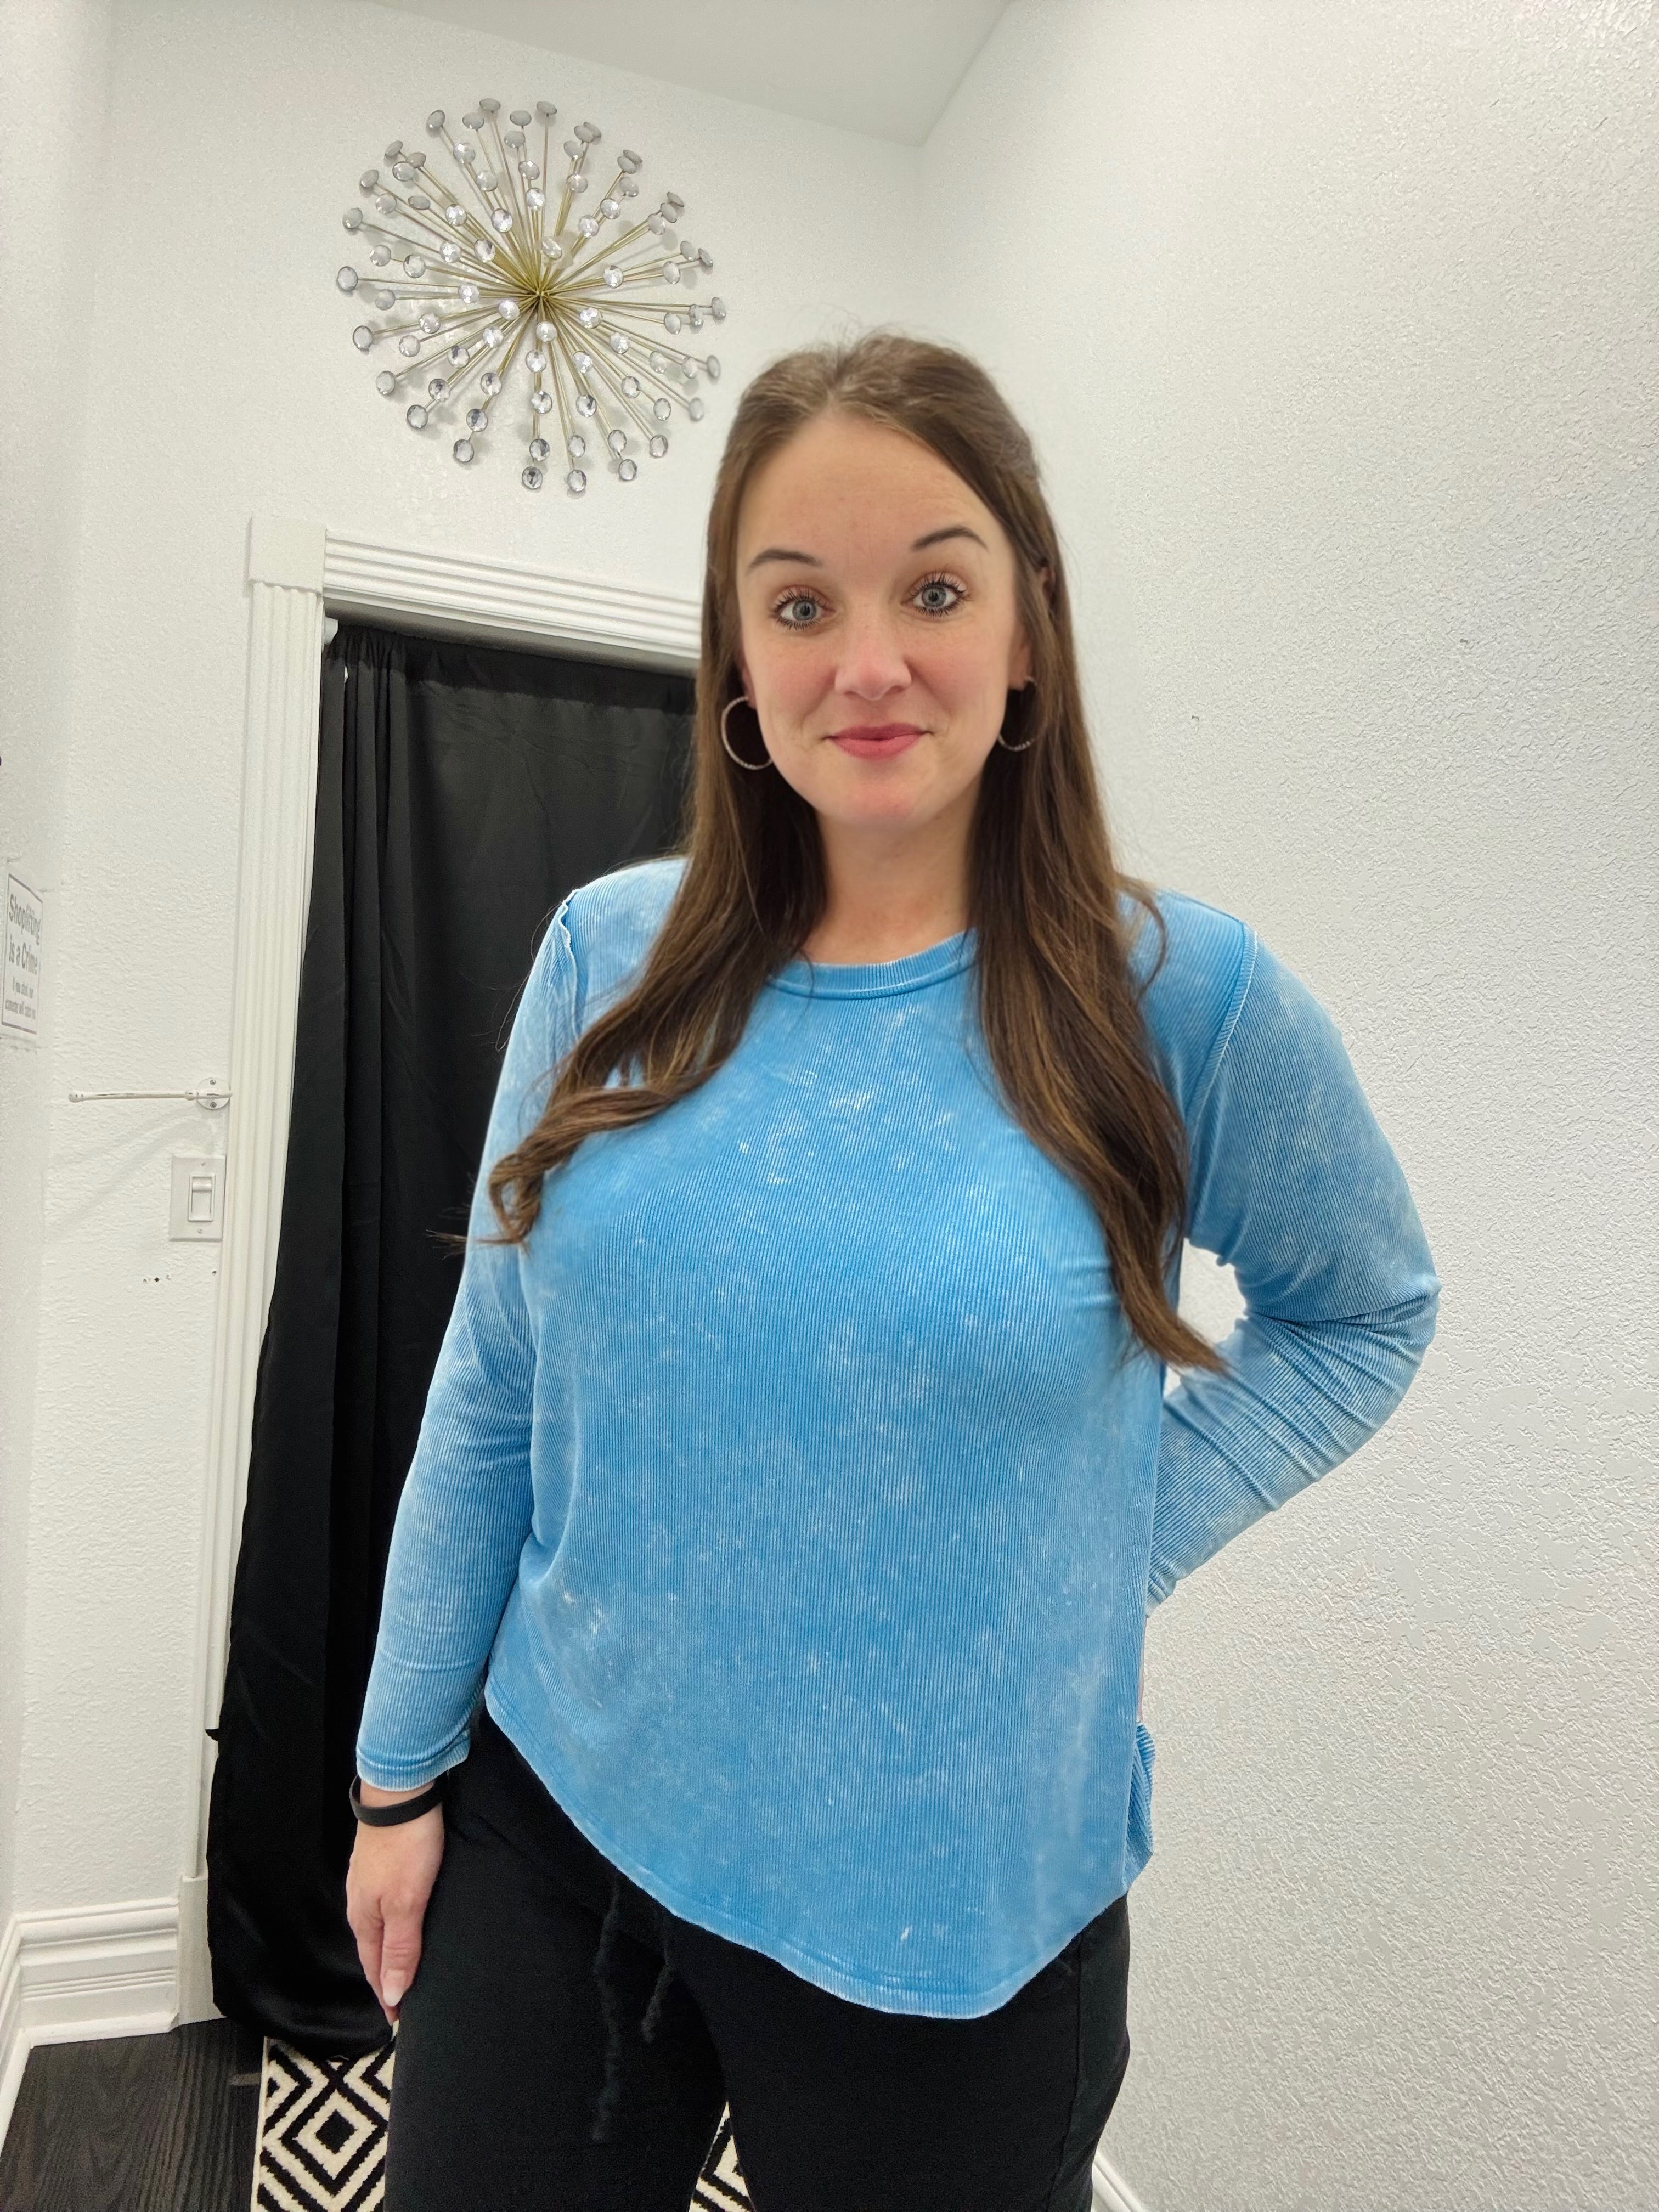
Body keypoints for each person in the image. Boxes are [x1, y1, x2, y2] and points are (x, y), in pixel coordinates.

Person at [346, 329, 1441, 2212]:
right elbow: (495, 1382)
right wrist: (395, 1776)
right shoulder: (607, 954)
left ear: (1028, 632)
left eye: (933, 589)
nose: (866, 663)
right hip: (558, 1825)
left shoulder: (1181, 999)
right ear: (737, 655)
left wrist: (1118, 1526)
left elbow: (1369, 1311)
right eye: (800, 604)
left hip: (949, 1918)